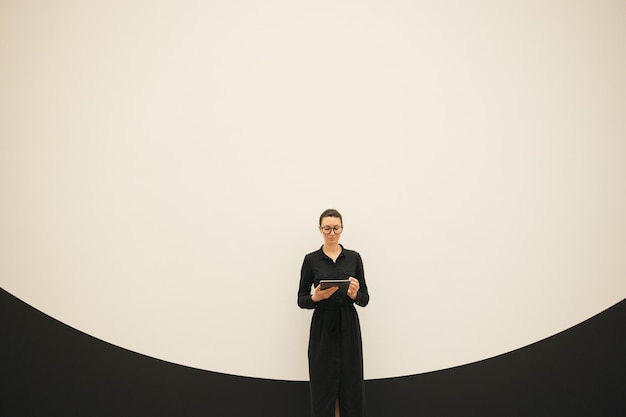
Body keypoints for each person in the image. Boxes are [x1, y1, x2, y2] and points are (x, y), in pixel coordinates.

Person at [298, 209, 370, 417]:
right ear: (320, 229)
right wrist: (315, 298)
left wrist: (355, 294)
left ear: (342, 228)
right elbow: (301, 299)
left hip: (348, 323)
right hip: (323, 325)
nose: (331, 233)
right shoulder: (311, 260)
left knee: (351, 379)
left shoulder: (354, 258)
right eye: (327, 228)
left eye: (335, 228)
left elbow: (365, 299)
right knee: (323, 380)